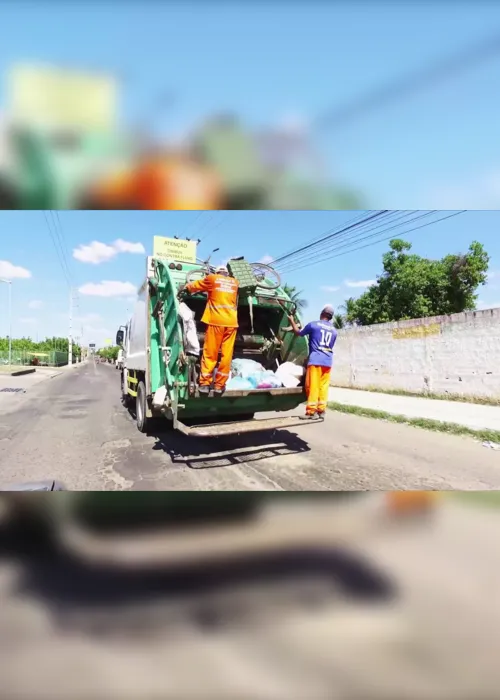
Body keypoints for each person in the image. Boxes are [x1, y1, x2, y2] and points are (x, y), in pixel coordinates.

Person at [181, 265, 239, 396]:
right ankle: (219, 386)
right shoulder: (235, 282)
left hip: (216, 321)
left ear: (217, 272)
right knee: (226, 355)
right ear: (227, 273)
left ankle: (205, 384)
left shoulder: (212, 278)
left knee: (210, 353)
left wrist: (186, 287)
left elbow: (196, 285)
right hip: (231, 323)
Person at [288, 304, 338, 419]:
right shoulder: (334, 331)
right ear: (330, 317)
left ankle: (311, 412)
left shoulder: (313, 325)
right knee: (323, 387)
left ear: (322, 314)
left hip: (316, 360)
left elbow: (298, 333)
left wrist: (291, 321)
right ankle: (321, 410)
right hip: (328, 361)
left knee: (313, 386)